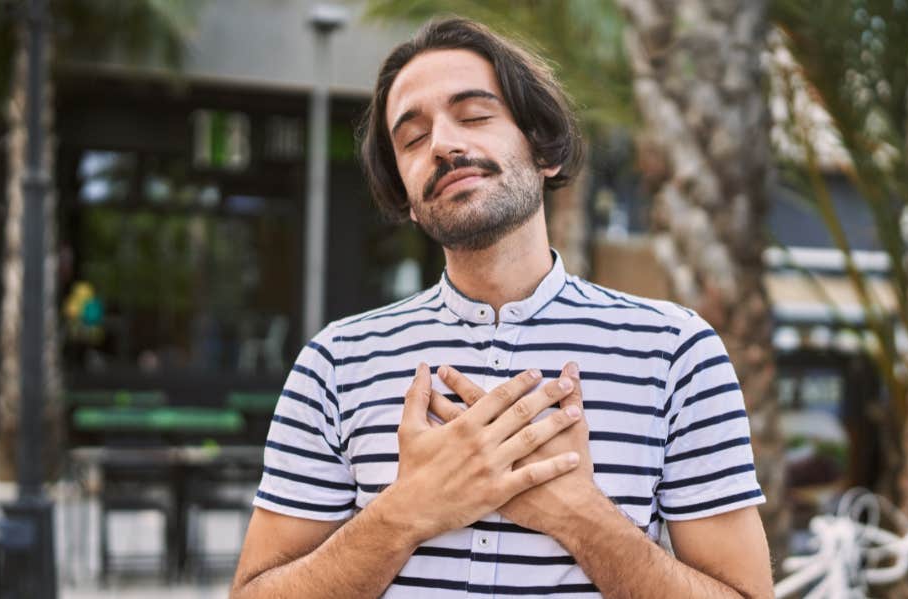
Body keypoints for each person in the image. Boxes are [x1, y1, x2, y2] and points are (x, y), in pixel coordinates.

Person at [230, 17, 772, 598]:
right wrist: (406, 511)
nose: (442, 143)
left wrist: (579, 515)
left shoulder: (674, 353)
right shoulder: (336, 363)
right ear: (408, 199)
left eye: (474, 115)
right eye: (412, 138)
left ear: (544, 151)